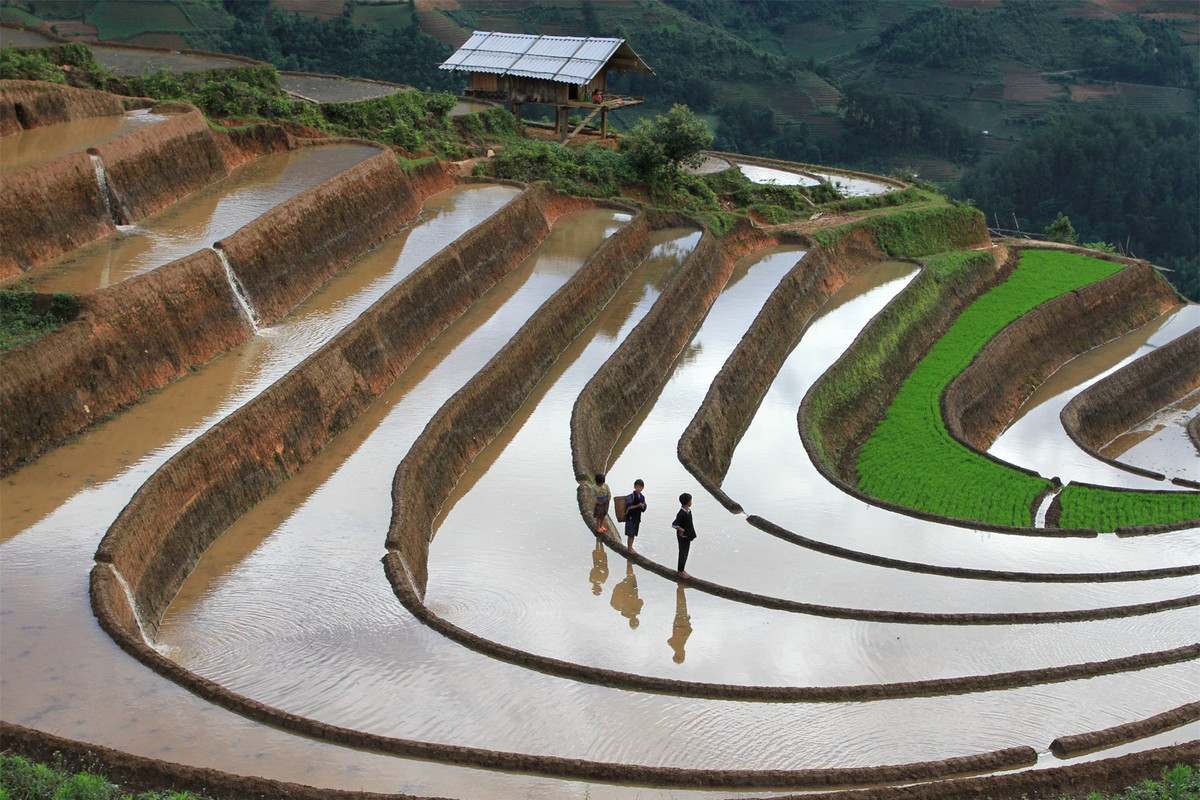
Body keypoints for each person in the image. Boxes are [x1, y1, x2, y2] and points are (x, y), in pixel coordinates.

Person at [672, 492, 696, 578]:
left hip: (687, 535)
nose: (691, 502)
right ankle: (680, 571)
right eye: (690, 501)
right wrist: (681, 529)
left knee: (686, 552)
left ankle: (682, 569)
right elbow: (674, 524)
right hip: (682, 537)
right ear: (687, 502)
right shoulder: (681, 513)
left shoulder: (688, 511)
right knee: (682, 552)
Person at [623, 478, 646, 552]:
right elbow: (629, 507)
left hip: (637, 518)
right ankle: (629, 548)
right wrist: (638, 506)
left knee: (634, 533)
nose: (638, 488)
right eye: (637, 487)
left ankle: (631, 547)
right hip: (630, 517)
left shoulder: (642, 497)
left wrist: (642, 506)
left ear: (642, 488)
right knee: (630, 534)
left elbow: (644, 507)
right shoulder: (631, 496)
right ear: (634, 487)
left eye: (640, 487)